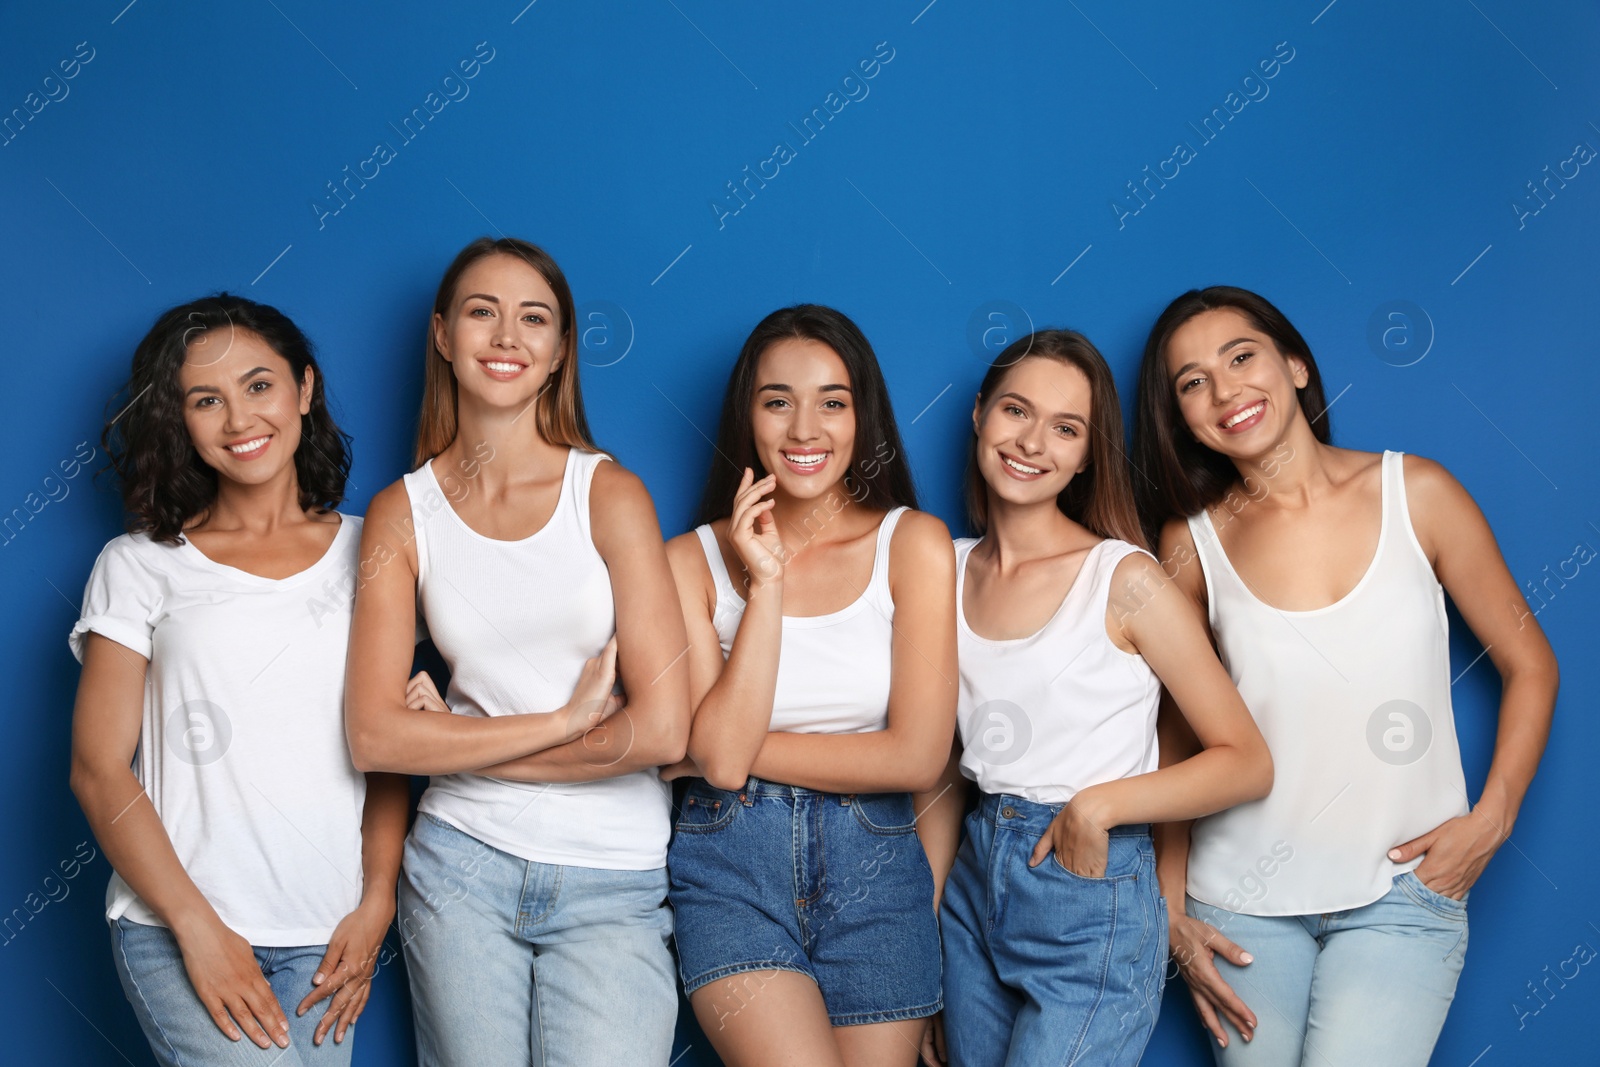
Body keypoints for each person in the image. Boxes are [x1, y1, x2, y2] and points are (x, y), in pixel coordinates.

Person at [1133, 286, 1558, 1065]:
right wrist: (1169, 910)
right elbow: (1175, 733)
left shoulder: (1418, 493)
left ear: (1295, 365)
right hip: (1240, 904)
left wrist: (1492, 819)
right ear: (1180, 416)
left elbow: (1530, 662)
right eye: (1192, 382)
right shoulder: (1189, 544)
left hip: (1402, 895)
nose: (1225, 391)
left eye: (1241, 356)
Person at [343, 236, 691, 1066]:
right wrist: (571, 721)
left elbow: (669, 731)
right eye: (481, 313)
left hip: (613, 875)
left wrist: (462, 749)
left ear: (560, 350)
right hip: (460, 865)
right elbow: (376, 737)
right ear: (441, 334)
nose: (506, 337)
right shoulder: (401, 512)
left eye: (533, 318)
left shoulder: (609, 494)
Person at [69, 294, 411, 1065]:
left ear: (305, 390)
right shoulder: (140, 564)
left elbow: (387, 742)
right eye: (205, 399)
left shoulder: (377, 550)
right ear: (179, 419)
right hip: (177, 924)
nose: (238, 419)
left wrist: (377, 899)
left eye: (259, 386)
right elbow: (96, 769)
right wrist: (196, 926)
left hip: (326, 935)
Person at [926, 330, 1272, 1067]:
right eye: (1016, 410)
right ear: (981, 414)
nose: (1032, 441)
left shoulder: (1124, 577)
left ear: (1087, 454)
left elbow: (1245, 760)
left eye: (1065, 427)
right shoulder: (940, 570)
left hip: (1089, 889)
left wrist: (1100, 805)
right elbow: (938, 768)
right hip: (973, 880)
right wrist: (925, 942)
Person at [661, 304, 957, 1067]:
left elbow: (919, 758)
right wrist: (765, 585)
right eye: (777, 401)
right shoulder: (687, 562)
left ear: (863, 416)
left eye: (832, 401)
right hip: (732, 865)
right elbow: (720, 769)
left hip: (880, 869)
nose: (804, 429)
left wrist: (732, 748)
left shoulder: (912, 544)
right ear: (747, 416)